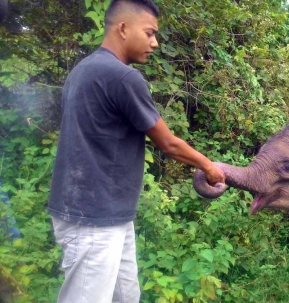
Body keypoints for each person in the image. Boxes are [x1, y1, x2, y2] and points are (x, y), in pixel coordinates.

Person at [47, 0, 225, 302]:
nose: (154, 43)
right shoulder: (123, 77)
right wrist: (208, 166)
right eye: (150, 33)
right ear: (124, 28)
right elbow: (167, 143)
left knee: (126, 296)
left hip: (105, 213)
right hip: (93, 217)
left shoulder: (83, 70)